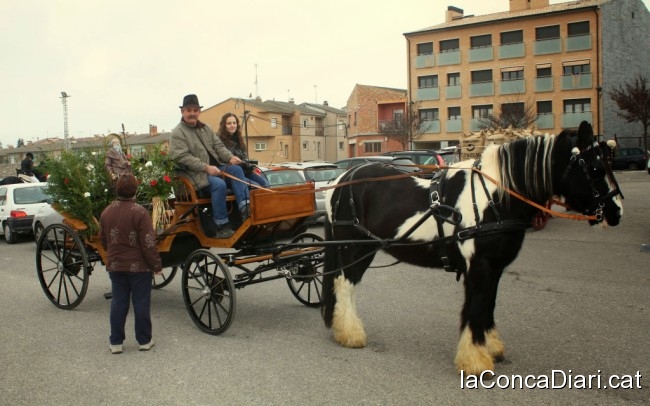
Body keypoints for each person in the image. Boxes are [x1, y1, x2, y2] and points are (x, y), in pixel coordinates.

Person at [171, 94, 250, 239]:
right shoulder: (177, 133)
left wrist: (230, 157)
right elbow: (182, 157)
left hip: (216, 169)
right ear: (182, 112)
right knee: (219, 184)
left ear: (199, 112)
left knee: (236, 170)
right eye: (189, 110)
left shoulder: (206, 128)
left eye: (195, 110)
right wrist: (206, 168)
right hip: (195, 175)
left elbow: (219, 146)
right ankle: (222, 225)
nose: (192, 113)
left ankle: (246, 210)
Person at [100, 173, 163, 354]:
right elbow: (148, 242)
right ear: (135, 190)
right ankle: (144, 340)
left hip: (116, 265)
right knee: (141, 302)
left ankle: (116, 342)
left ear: (117, 189)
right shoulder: (139, 212)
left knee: (119, 302)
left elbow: (103, 240)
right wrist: (156, 265)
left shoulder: (107, 211)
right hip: (138, 267)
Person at [217, 113, 269, 187]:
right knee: (256, 186)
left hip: (245, 171)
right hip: (231, 173)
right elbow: (221, 159)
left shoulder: (239, 139)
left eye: (234, 123)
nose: (232, 125)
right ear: (224, 125)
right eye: (229, 123)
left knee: (265, 184)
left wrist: (248, 164)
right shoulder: (219, 140)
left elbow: (244, 156)